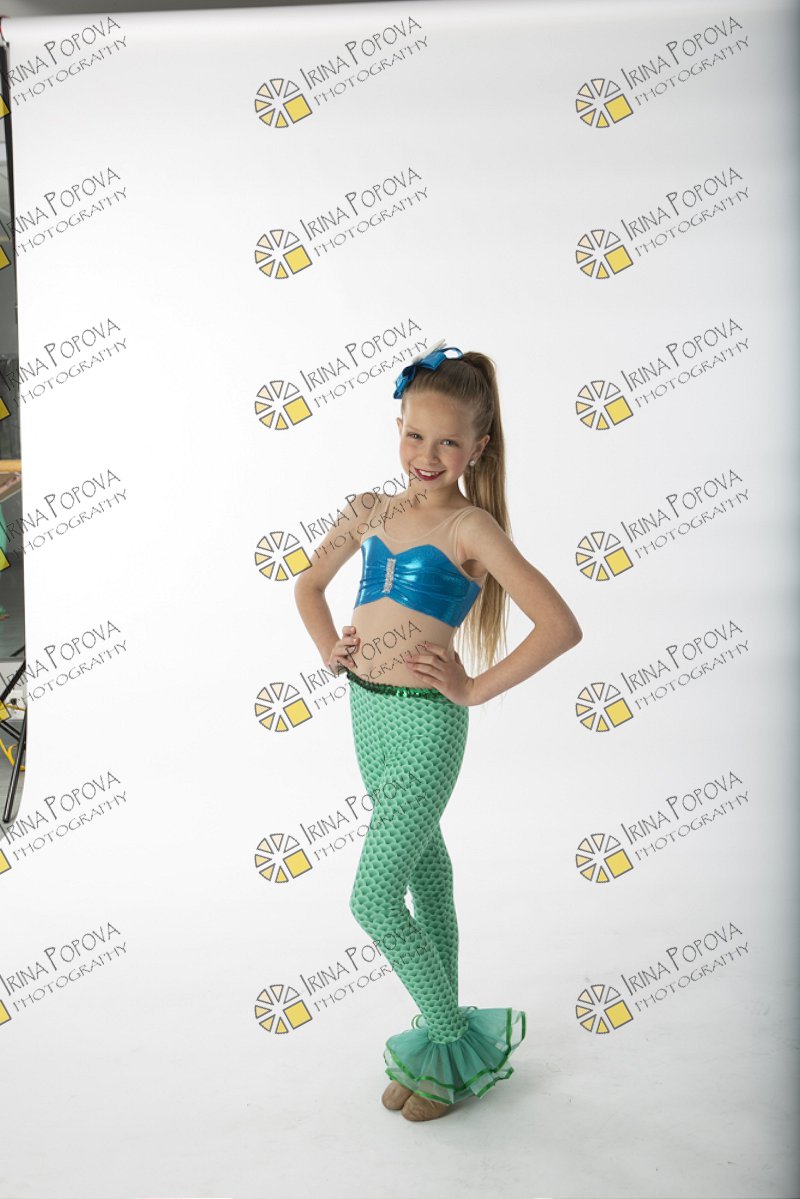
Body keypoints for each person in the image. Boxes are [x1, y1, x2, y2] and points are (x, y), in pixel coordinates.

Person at [294, 342, 583, 1122]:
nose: (427, 454)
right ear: (398, 429)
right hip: (366, 711)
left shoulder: (470, 526)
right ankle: (435, 1050)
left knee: (373, 898)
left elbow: (560, 625)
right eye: (415, 434)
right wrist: (329, 648)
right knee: (427, 875)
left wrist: (473, 688)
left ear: (477, 447)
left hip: (426, 723)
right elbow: (308, 584)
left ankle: (453, 1040)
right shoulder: (369, 509)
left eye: (449, 441)